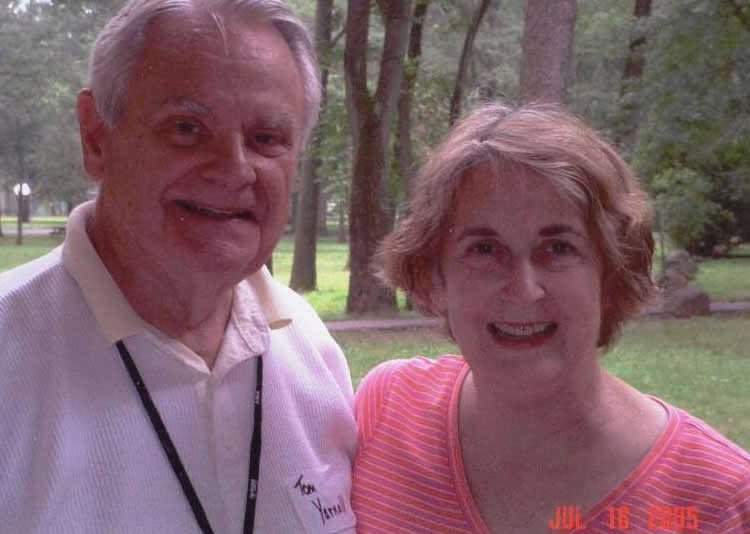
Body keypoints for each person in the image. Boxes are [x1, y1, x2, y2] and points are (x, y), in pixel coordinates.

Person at [0, 1, 357, 533]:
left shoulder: (313, 351)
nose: (234, 169)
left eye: (266, 139)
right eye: (188, 128)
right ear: (96, 137)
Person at [351, 103, 750, 533]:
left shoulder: (721, 502)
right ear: (435, 280)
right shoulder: (386, 412)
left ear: (611, 275)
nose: (524, 288)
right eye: (485, 249)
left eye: (559, 248)